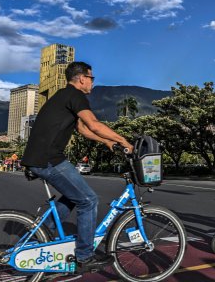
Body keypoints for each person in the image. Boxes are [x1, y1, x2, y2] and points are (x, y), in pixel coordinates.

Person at [21, 61, 134, 272]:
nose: (92, 82)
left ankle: (43, 232)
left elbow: (83, 129)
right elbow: (94, 124)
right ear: (82, 78)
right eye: (91, 78)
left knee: (76, 196)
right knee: (89, 200)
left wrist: (108, 142)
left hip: (41, 157)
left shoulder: (64, 96)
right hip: (48, 159)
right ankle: (85, 256)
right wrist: (125, 141)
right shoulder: (75, 95)